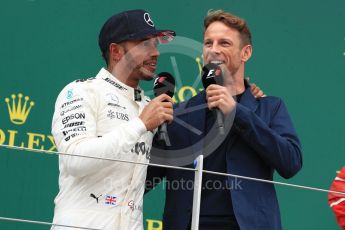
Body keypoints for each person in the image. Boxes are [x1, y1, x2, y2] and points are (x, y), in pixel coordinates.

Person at [146, 10, 303, 230]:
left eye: (225, 43)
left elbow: (291, 163)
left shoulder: (269, 107)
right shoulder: (179, 114)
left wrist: (237, 111)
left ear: (245, 53)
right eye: (208, 43)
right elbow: (143, 179)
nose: (214, 50)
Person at [51, 9, 175, 230]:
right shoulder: (80, 92)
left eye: (156, 44)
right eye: (145, 44)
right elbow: (76, 161)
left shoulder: (149, 106)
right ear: (116, 51)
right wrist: (140, 125)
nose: (155, 52)